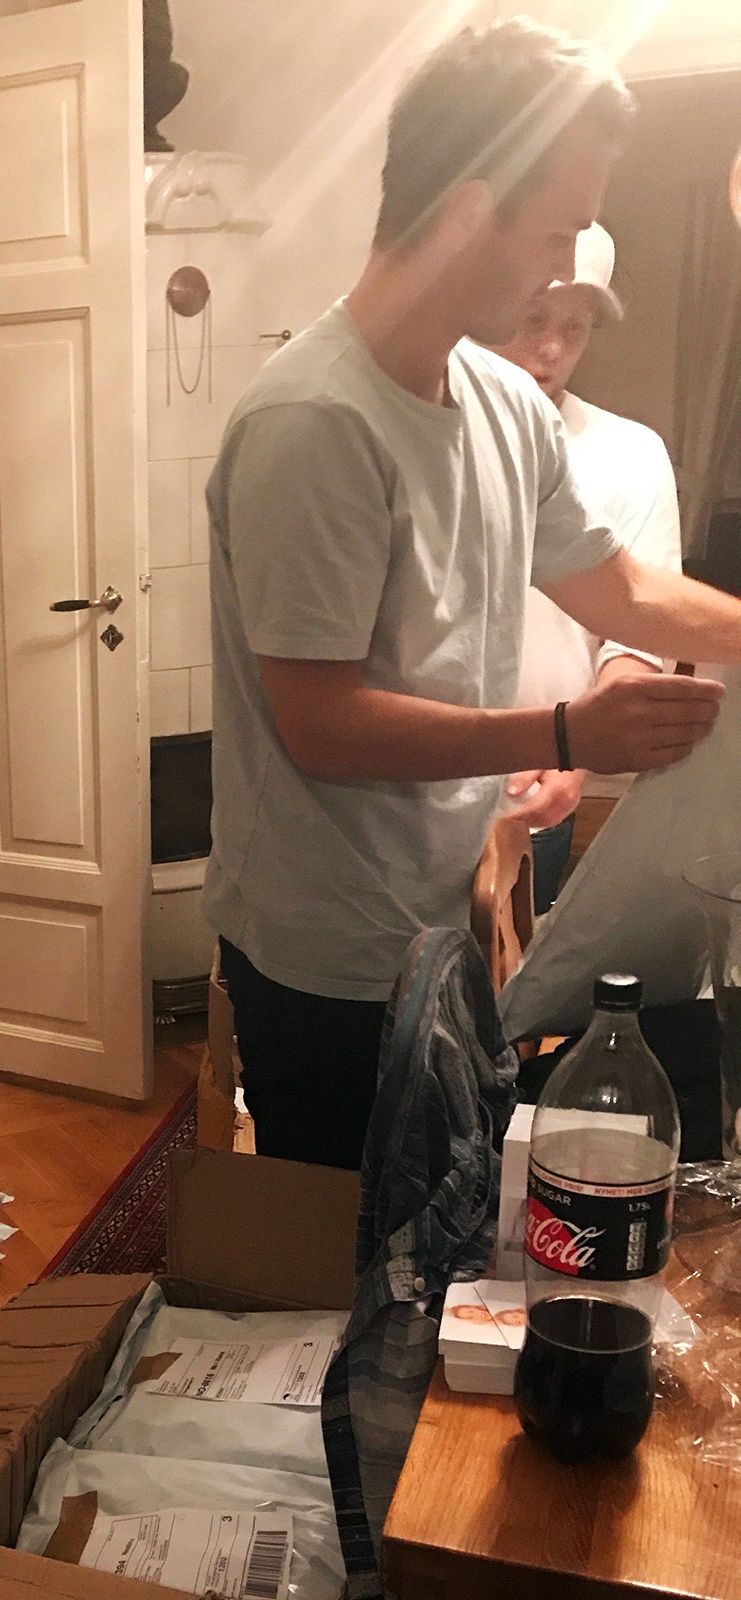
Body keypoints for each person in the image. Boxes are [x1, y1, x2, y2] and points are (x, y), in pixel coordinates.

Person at [206, 18, 741, 1171]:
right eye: (555, 231)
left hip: (448, 913)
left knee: (441, 1208)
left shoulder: (498, 401)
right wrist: (567, 731)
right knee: (342, 1244)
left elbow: (617, 585)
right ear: (464, 212)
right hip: (327, 954)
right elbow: (320, 724)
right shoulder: (315, 422)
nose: (563, 266)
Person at [487, 223, 683, 911]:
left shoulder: (629, 454)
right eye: (534, 318)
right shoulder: (429, 441)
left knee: (514, 969)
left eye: (574, 328)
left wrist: (577, 745)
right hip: (408, 797)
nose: (551, 348)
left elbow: (639, 638)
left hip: (537, 792)